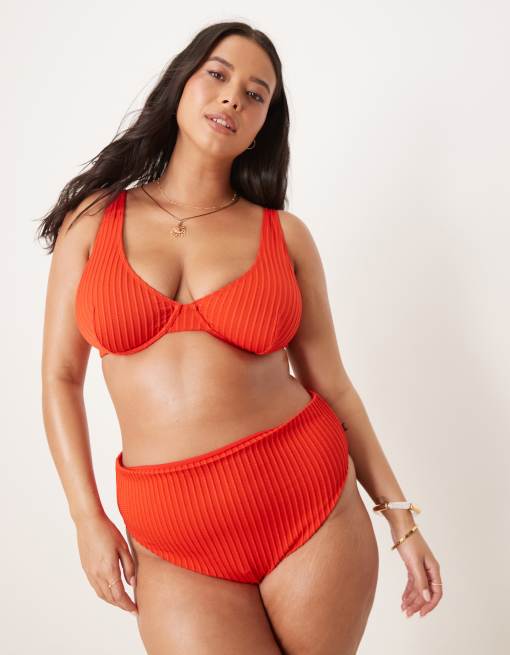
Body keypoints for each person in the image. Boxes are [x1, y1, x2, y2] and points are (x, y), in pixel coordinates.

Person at [38, 20, 443, 654]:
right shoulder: (92, 222)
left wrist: (401, 519)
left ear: (263, 126)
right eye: (218, 75)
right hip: (173, 539)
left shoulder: (286, 236)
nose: (233, 97)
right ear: (182, 85)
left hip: (308, 509)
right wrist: (86, 518)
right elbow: (60, 377)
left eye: (256, 94)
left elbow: (332, 385)